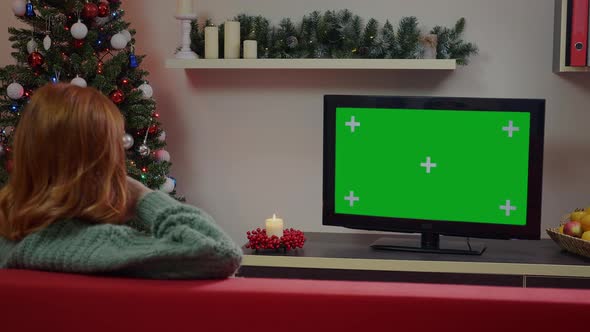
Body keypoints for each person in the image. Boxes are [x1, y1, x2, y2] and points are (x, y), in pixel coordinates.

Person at [0, 84, 242, 279]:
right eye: (118, 145)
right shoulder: (98, 248)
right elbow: (220, 253)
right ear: (102, 163)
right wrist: (144, 196)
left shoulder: (11, 241)